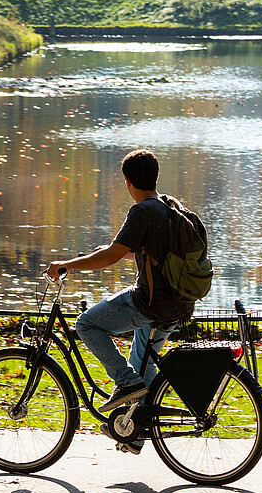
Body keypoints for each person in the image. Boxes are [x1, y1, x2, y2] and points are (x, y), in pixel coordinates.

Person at [46, 149, 197, 454]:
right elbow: (151, 253)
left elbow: (111, 257)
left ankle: (126, 384)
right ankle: (136, 429)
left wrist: (67, 264)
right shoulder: (171, 207)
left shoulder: (142, 211)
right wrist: (121, 250)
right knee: (144, 357)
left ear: (127, 181)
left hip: (149, 304)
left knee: (86, 323)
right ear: (155, 176)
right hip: (179, 303)